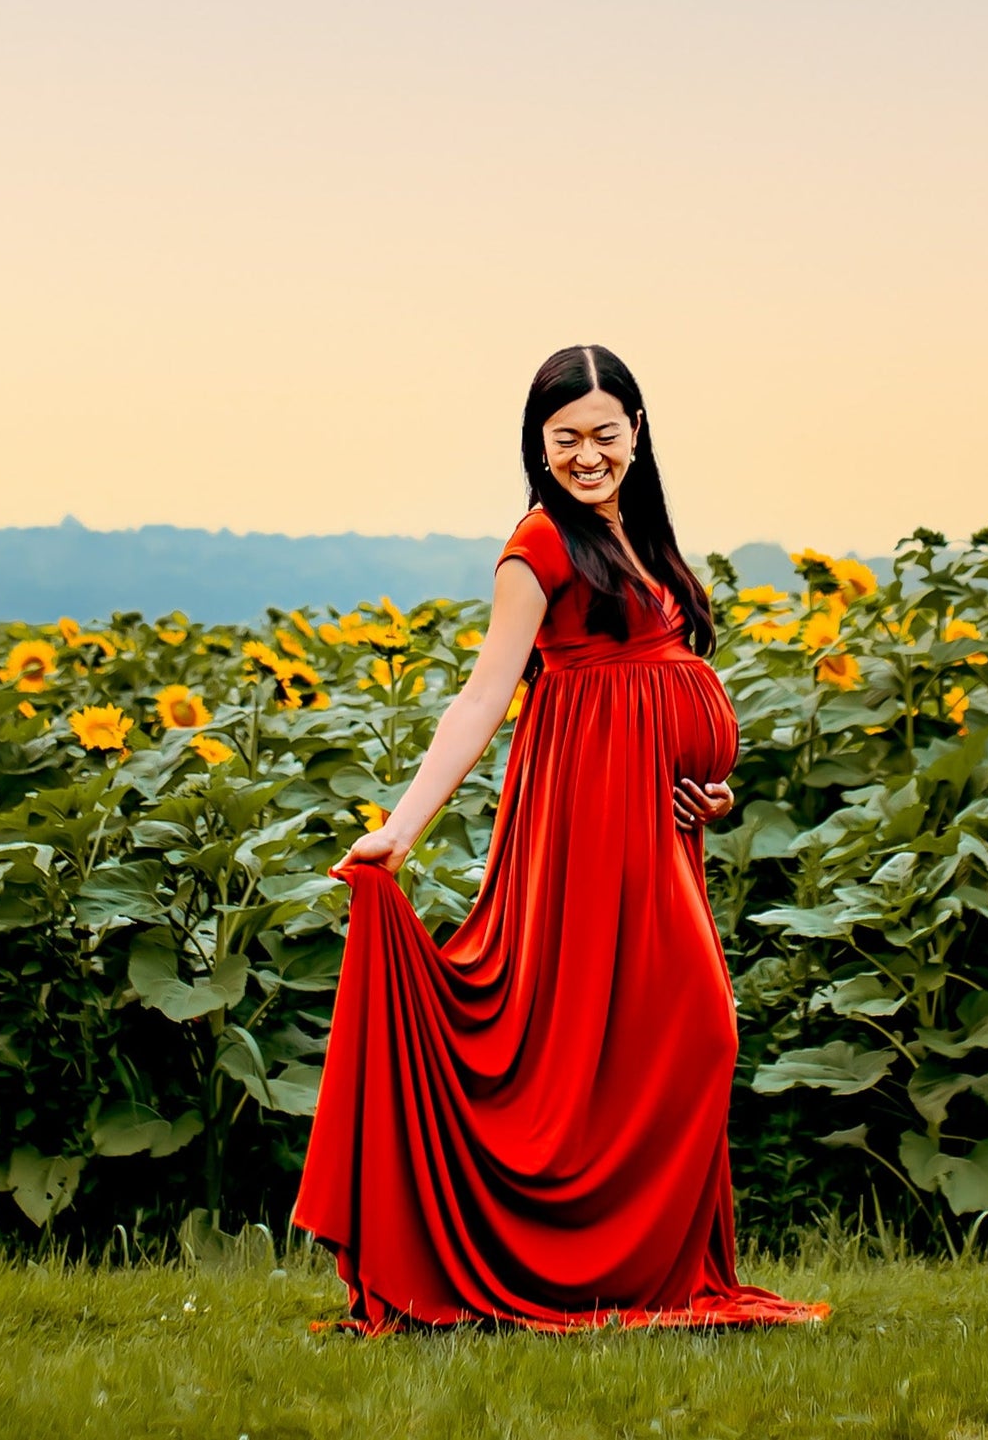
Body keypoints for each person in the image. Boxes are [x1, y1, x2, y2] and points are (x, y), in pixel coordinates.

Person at [292, 344, 829, 1332]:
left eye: (604, 434)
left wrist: (704, 789)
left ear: (636, 433)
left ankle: (649, 1272)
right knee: (671, 1031)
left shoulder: (638, 536)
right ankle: (587, 1266)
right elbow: (485, 694)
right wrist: (398, 831)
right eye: (565, 438)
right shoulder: (537, 544)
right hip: (584, 817)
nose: (587, 454)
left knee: (670, 1037)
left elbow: (664, 676)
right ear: (537, 445)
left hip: (656, 824)